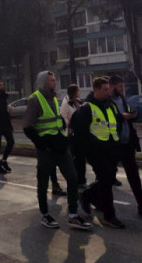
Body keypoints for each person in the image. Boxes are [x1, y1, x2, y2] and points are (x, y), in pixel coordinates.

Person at [23, 71, 91, 231]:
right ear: (43, 82)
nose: (55, 82)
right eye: (51, 80)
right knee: (43, 181)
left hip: (60, 146)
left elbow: (55, 118)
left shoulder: (53, 97)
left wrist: (63, 129)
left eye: (54, 80)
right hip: (46, 150)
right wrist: (41, 144)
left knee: (73, 178)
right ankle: (45, 214)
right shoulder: (35, 99)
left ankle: (73, 215)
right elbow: (27, 126)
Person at [71, 77, 124, 229]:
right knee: (106, 181)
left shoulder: (110, 105)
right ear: (96, 89)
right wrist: (94, 145)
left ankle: (87, 195)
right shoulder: (87, 108)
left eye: (109, 89)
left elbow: (118, 122)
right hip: (96, 152)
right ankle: (109, 216)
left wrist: (116, 142)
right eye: (105, 89)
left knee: (107, 179)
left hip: (111, 150)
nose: (108, 92)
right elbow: (80, 132)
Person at [108, 75, 142, 217]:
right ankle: (90, 197)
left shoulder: (122, 99)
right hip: (113, 144)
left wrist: (133, 115)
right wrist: (122, 116)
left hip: (126, 143)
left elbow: (128, 113)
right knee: (106, 177)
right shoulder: (106, 102)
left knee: (134, 175)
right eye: (120, 87)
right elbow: (108, 119)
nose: (122, 89)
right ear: (112, 86)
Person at [60, 84, 86, 187]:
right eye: (78, 90)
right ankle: (77, 180)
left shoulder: (78, 101)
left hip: (80, 133)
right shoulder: (65, 103)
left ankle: (82, 180)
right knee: (76, 159)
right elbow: (63, 118)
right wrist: (70, 123)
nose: (79, 92)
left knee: (81, 158)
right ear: (74, 92)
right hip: (71, 135)